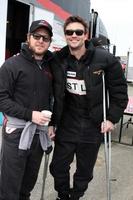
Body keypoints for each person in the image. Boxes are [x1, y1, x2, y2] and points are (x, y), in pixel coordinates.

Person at [48, 15, 128, 200]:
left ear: (85, 35)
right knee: (58, 167)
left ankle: (76, 196)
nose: (73, 35)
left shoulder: (105, 59)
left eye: (78, 32)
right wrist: (52, 122)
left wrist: (111, 119)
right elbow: (52, 93)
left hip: (93, 124)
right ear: (65, 35)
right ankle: (63, 195)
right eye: (69, 32)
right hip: (68, 122)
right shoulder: (58, 59)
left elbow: (119, 93)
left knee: (84, 170)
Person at [0, 19, 53, 200]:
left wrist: (53, 124)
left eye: (45, 38)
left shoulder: (50, 67)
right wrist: (30, 115)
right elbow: (2, 100)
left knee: (27, 185)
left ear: (50, 42)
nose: (40, 40)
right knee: (9, 187)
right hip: (16, 133)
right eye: (36, 36)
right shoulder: (11, 65)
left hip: (39, 134)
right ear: (28, 38)